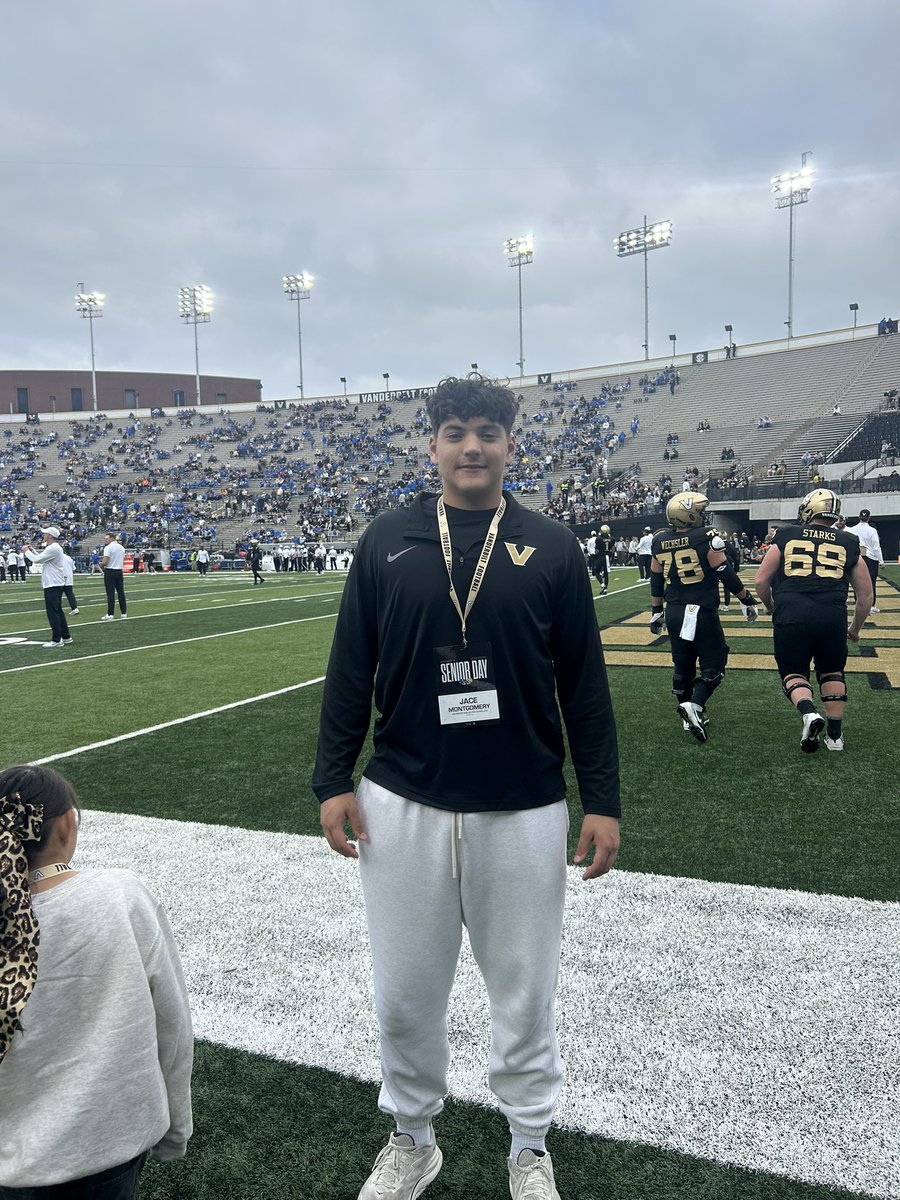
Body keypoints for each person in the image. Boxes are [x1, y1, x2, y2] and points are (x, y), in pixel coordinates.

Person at [312, 373, 620, 1200]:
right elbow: (350, 669)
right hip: (401, 798)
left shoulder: (552, 545)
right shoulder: (387, 539)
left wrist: (604, 799)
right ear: (434, 444)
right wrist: (331, 778)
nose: (471, 446)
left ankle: (529, 1145)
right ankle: (413, 1137)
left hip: (522, 800)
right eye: (455, 431)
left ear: (511, 444)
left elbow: (584, 686)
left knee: (524, 987)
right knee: (407, 988)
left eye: (487, 431)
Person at [0, 764, 193, 1196]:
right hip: (109, 1146)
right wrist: (175, 1126)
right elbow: (173, 1025)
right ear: (68, 824)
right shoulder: (120, 895)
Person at [755, 489, 873, 753]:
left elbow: (761, 580)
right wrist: (854, 629)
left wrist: (771, 606)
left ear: (809, 509)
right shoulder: (849, 541)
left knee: (794, 672)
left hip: (791, 613)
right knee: (832, 670)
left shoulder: (785, 534)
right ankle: (835, 737)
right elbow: (865, 597)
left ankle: (808, 713)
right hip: (831, 617)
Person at [649, 492, 758, 742]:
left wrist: (656, 611)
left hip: (674, 610)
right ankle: (695, 705)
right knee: (715, 664)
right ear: (688, 514)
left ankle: (688, 717)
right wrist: (745, 598)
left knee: (682, 664)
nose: (703, 516)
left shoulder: (659, 540)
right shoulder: (705, 536)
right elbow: (724, 571)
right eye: (699, 511)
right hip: (701, 611)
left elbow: (656, 580)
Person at [20, 528, 72, 649]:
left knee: (53, 612)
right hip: (55, 583)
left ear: (50, 535)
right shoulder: (55, 548)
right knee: (58, 611)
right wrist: (33, 550)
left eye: (45, 533)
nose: (43, 535)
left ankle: (57, 639)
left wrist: (26, 551)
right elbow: (43, 559)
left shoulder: (53, 548)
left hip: (52, 583)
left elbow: (37, 560)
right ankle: (66, 636)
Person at [851, 509, 883, 612]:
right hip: (870, 558)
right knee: (871, 582)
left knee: (857, 582)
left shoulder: (852, 529)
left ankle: (858, 604)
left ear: (859, 517)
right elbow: (876, 547)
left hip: (857, 556)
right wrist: (881, 561)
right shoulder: (872, 531)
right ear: (869, 518)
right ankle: (871, 606)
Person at [100, 533, 128, 621]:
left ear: (112, 538)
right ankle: (124, 613)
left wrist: (100, 565)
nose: (105, 540)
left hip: (110, 571)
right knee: (121, 593)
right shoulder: (121, 548)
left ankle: (110, 614)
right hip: (119, 571)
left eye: (107, 538)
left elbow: (105, 562)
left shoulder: (108, 548)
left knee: (110, 594)